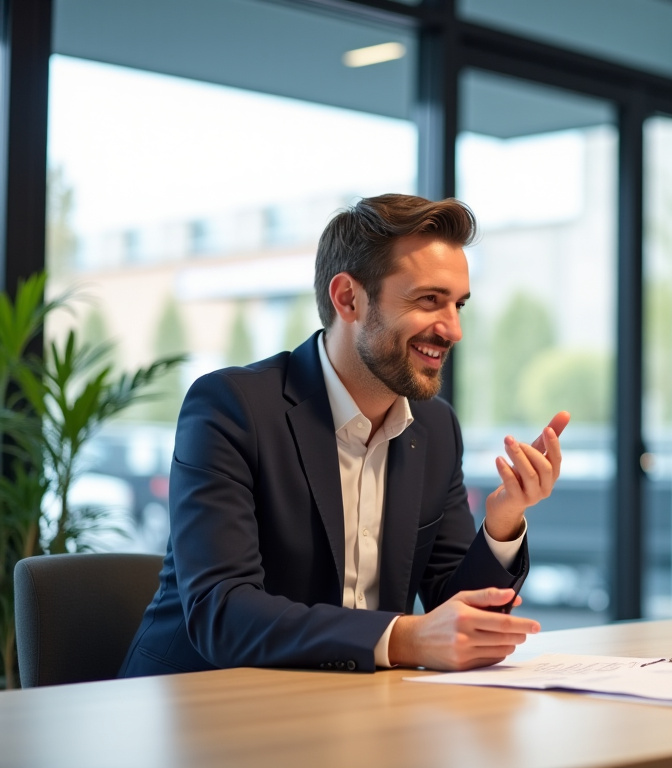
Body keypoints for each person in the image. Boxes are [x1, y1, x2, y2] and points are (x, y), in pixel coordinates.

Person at [121, 194, 568, 677]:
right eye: (429, 300)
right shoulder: (232, 408)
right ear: (348, 298)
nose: (454, 329)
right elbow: (222, 611)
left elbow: (454, 615)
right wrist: (402, 639)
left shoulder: (436, 428)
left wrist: (502, 522)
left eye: (457, 304)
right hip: (200, 699)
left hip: (349, 703)